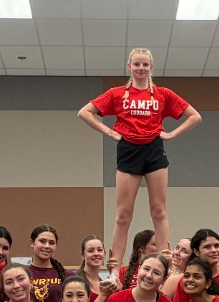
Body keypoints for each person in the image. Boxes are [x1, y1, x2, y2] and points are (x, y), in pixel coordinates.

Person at [78, 47, 202, 263]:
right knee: (123, 215)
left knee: (159, 211)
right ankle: (115, 267)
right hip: (128, 150)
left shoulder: (163, 94)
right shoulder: (117, 93)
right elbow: (84, 112)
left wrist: (171, 134)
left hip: (154, 149)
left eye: (145, 64)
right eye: (137, 64)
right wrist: (108, 131)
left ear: (151, 67)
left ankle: (166, 263)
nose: (141, 68)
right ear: (129, 67)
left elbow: (194, 116)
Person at [163, 228, 219, 302]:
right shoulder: (187, 280)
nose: (214, 250)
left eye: (217, 246)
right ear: (196, 252)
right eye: (207, 247)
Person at [76, 235, 120, 302]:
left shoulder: (105, 283)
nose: (96, 254)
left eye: (99, 250)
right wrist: (103, 295)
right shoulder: (76, 282)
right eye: (91, 251)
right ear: (82, 255)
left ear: (105, 254)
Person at [27, 224, 68, 302]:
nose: (47, 246)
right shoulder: (22, 275)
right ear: (32, 243)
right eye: (42, 241)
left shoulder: (68, 275)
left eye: (52, 243)